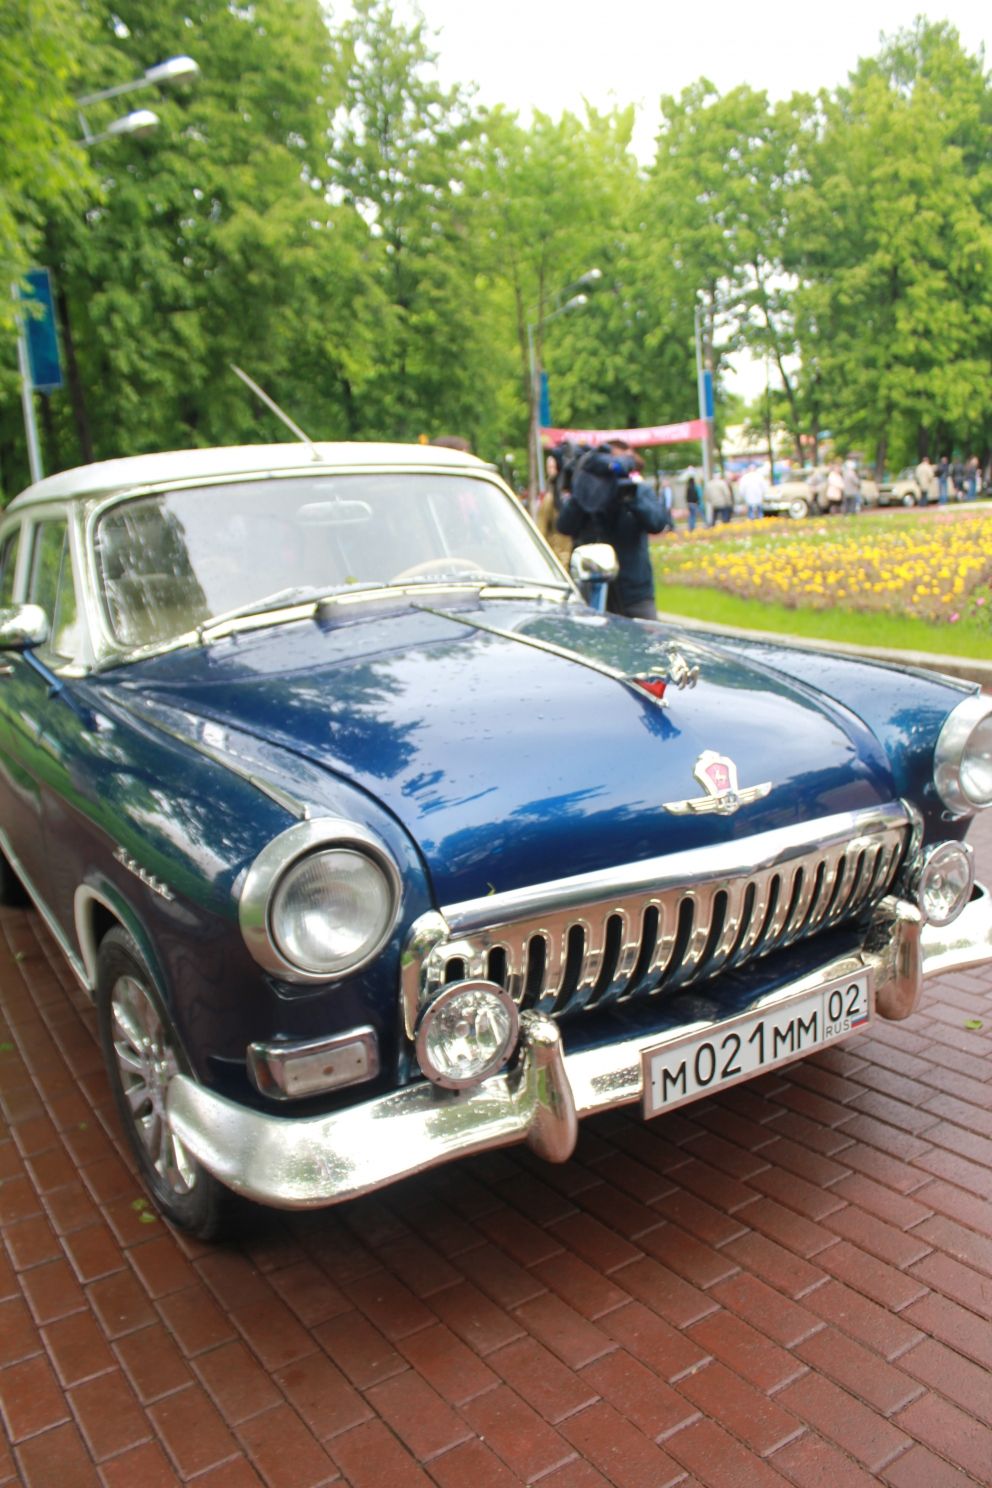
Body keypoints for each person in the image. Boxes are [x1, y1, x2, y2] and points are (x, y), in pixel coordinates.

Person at [556, 441, 666, 618]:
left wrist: (631, 497)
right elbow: (564, 526)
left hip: (635, 594)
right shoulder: (587, 498)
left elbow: (657, 523)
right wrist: (582, 494)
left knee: (649, 642)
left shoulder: (639, 492)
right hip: (595, 595)